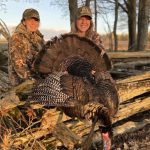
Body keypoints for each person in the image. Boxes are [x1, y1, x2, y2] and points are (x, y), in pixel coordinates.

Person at [8, 8, 44, 86]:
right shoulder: (17, 38)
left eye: (36, 20)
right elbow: (19, 66)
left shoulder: (39, 38)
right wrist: (35, 82)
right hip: (22, 82)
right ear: (24, 22)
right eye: (30, 20)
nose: (33, 23)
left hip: (37, 76)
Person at [71, 6, 112, 71]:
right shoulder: (69, 38)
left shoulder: (95, 37)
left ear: (90, 22)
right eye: (81, 18)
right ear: (76, 21)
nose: (84, 22)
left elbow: (102, 57)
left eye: (87, 19)